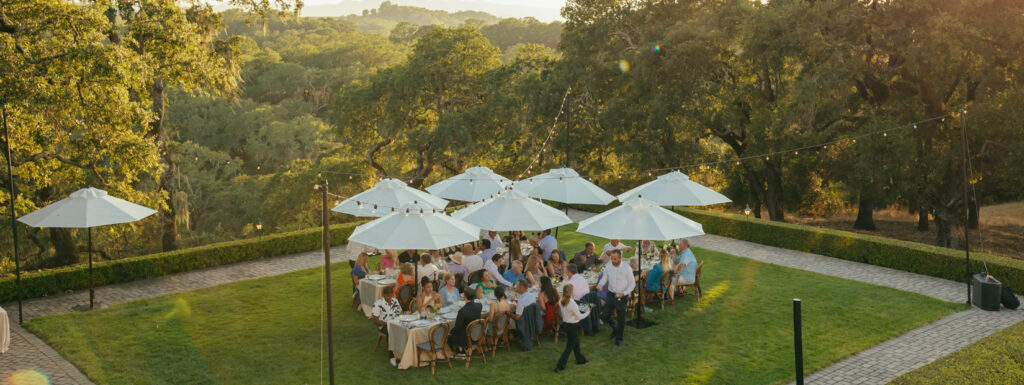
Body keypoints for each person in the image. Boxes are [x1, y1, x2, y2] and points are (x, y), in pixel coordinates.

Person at [597, 250, 635, 346]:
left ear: (620, 258)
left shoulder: (627, 268)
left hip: (622, 295)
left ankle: (619, 337)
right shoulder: (608, 266)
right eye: (611, 259)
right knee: (605, 315)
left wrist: (624, 293)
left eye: (615, 259)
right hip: (611, 294)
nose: (613, 261)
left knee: (621, 318)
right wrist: (600, 284)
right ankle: (615, 328)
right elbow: (604, 277)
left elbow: (632, 283)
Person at [554, 284, 589, 373]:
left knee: (576, 343)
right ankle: (560, 366)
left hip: (566, 325)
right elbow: (580, 316)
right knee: (569, 347)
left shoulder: (561, 301)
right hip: (572, 326)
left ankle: (580, 359)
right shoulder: (572, 304)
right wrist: (588, 312)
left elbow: (561, 313)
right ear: (571, 292)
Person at [372, 286, 403, 366]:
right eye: (387, 296)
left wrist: (399, 319)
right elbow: (375, 321)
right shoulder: (378, 304)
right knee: (391, 332)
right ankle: (392, 356)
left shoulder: (395, 301)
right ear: (383, 295)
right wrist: (387, 323)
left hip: (396, 323)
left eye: (391, 295)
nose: (390, 298)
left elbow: (400, 312)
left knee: (405, 329)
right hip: (384, 325)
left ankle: (402, 353)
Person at [447, 289, 482, 354]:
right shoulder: (479, 306)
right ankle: (462, 349)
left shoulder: (462, 311)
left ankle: (459, 352)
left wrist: (450, 332)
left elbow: (457, 327)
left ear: (464, 297)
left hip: (466, 338)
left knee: (448, 337)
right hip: (477, 334)